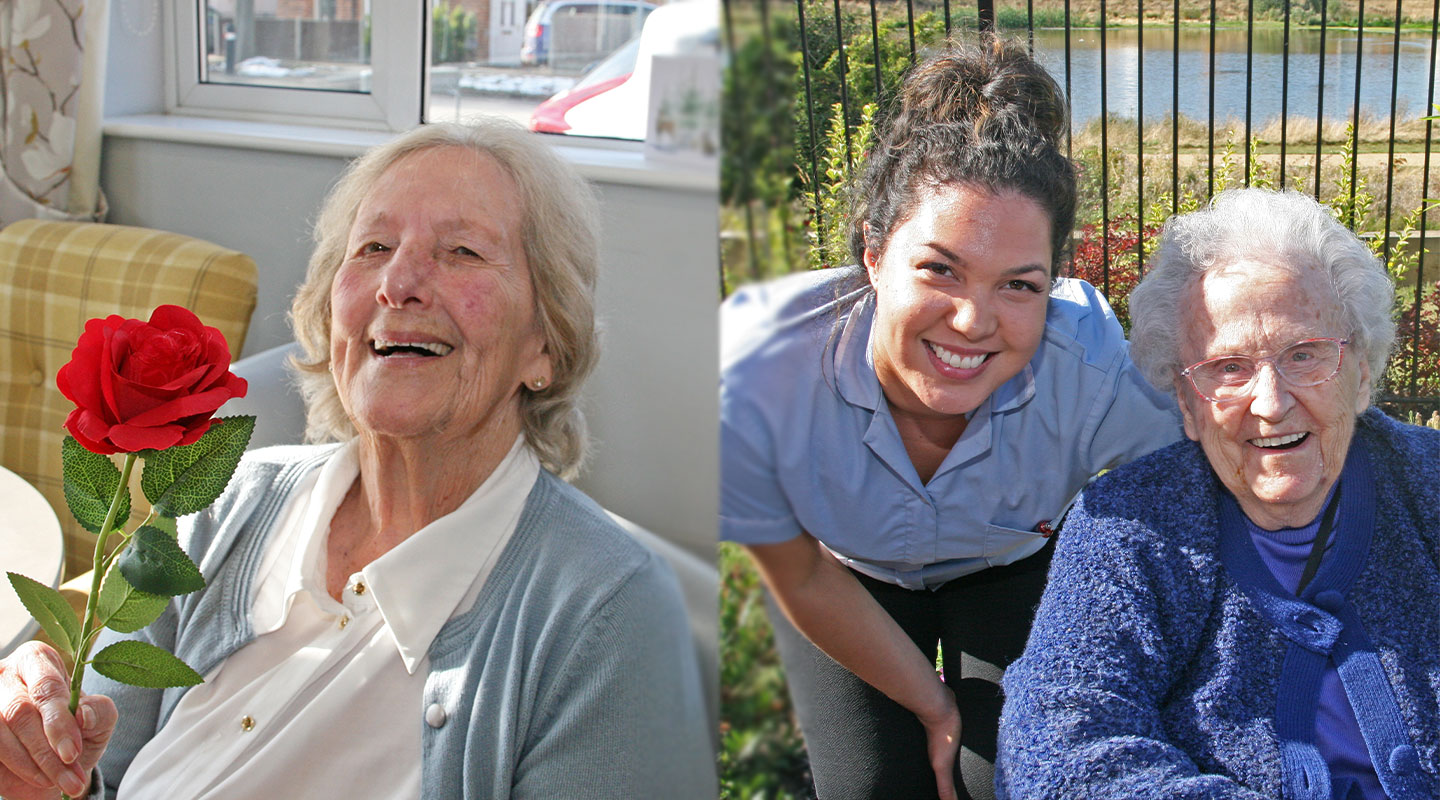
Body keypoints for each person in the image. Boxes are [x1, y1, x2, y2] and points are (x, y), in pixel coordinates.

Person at [0, 119, 715, 800]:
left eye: (462, 251)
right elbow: (96, 770)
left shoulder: (607, 615)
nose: (397, 283)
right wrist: (39, 759)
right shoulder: (222, 501)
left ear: (545, 345)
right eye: (371, 248)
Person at [720, 38, 1182, 800]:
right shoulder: (758, 363)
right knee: (872, 788)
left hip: (1010, 567)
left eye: (1019, 286)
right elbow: (796, 568)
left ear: (1053, 281)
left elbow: (1188, 491)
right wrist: (935, 705)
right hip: (844, 574)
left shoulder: (1090, 362)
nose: (973, 321)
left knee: (1007, 779)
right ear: (873, 250)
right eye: (939, 268)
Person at [996, 188, 1440, 799]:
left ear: (1362, 372)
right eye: (1228, 368)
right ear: (1184, 403)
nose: (1271, 403)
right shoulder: (1127, 528)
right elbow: (1056, 745)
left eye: (1304, 354)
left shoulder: (1427, 484)